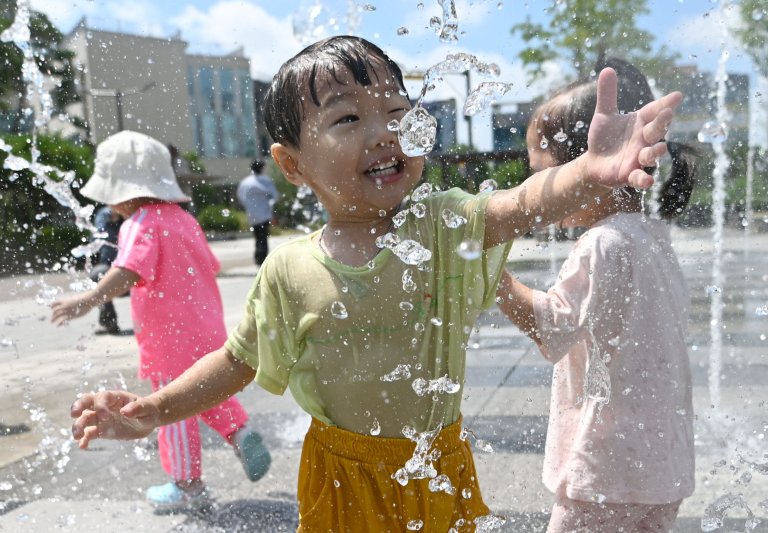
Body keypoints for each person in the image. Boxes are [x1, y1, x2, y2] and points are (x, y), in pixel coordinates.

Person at [69, 37, 681, 532]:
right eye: (348, 117)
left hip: (436, 464)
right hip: (340, 476)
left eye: (396, 111)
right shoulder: (290, 270)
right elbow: (237, 360)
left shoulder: (441, 224)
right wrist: (152, 409)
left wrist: (587, 173)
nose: (384, 130)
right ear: (293, 164)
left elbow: (522, 202)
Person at [496, 57, 698, 533]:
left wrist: (496, 281)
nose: (536, 191)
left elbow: (554, 329)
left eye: (540, 175)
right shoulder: (653, 238)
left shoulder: (601, 243)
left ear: (581, 168)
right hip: (662, 467)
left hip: (606, 469)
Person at [52, 130, 272, 513]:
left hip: (169, 339)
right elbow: (211, 265)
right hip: (207, 330)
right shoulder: (184, 220)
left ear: (121, 191)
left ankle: (187, 486)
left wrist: (89, 299)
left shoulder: (140, 223)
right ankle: (241, 433)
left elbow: (128, 269)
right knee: (206, 390)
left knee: (168, 410)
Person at [237, 159, 280, 264]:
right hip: (264, 214)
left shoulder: (245, 182)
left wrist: (249, 206)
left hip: (252, 214)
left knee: (258, 236)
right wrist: (269, 205)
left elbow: (240, 197)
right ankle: (262, 257)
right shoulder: (265, 181)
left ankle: (258, 256)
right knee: (263, 236)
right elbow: (275, 196)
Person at [89, 205, 124, 335]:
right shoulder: (104, 215)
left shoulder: (131, 217)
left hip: (130, 265)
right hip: (109, 265)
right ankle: (109, 322)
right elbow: (98, 236)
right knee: (98, 275)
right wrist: (113, 220)